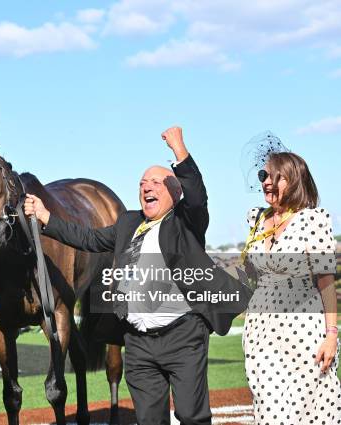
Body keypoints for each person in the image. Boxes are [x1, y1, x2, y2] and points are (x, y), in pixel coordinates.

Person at [25, 127, 250, 425]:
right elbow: (88, 238)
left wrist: (179, 151)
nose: (147, 187)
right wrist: (46, 217)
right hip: (139, 344)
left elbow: (196, 197)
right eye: (143, 183)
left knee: (192, 417)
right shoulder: (129, 222)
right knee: (149, 421)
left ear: (173, 191)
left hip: (182, 337)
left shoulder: (186, 222)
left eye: (156, 182)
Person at [241, 151, 340, 424]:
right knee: (269, 409)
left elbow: (326, 283)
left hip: (302, 333)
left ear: (294, 181)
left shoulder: (313, 220)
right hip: (259, 333)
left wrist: (331, 335)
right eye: (263, 176)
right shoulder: (256, 220)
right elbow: (251, 275)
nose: (267, 182)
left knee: (307, 410)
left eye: (276, 177)